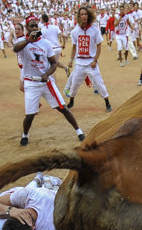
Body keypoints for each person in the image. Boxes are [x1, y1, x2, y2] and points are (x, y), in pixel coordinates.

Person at [13, 19, 87, 147]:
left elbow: (53, 63)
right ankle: (25, 134)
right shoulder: (22, 42)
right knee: (30, 114)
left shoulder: (45, 43)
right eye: (32, 26)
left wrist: (46, 75)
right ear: (27, 28)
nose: (35, 27)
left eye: (36, 25)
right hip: (30, 82)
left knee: (62, 107)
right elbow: (15, 49)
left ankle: (78, 130)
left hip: (46, 82)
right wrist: (29, 40)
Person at [65, 6, 112, 112]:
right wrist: (71, 60)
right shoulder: (75, 31)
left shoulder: (94, 30)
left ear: (89, 15)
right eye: (81, 14)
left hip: (91, 62)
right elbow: (73, 47)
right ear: (78, 16)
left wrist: (95, 60)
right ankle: (71, 101)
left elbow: (99, 46)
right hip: (80, 62)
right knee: (75, 84)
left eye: (85, 14)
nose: (83, 16)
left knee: (99, 83)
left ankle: (107, 102)